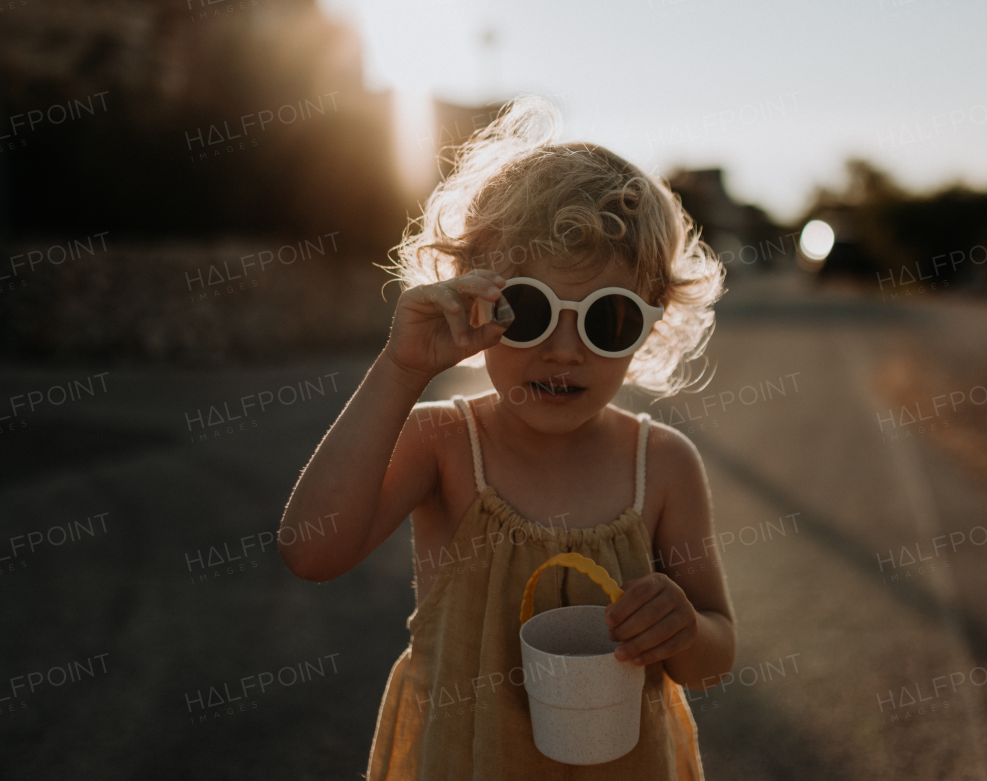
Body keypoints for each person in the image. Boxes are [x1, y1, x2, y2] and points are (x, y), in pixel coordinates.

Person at [277, 96, 735, 780]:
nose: (562, 350)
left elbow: (714, 655)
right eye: (528, 309)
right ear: (472, 297)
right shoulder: (443, 444)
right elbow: (312, 550)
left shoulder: (663, 466)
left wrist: (687, 630)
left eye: (606, 320)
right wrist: (399, 371)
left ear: (650, 325)